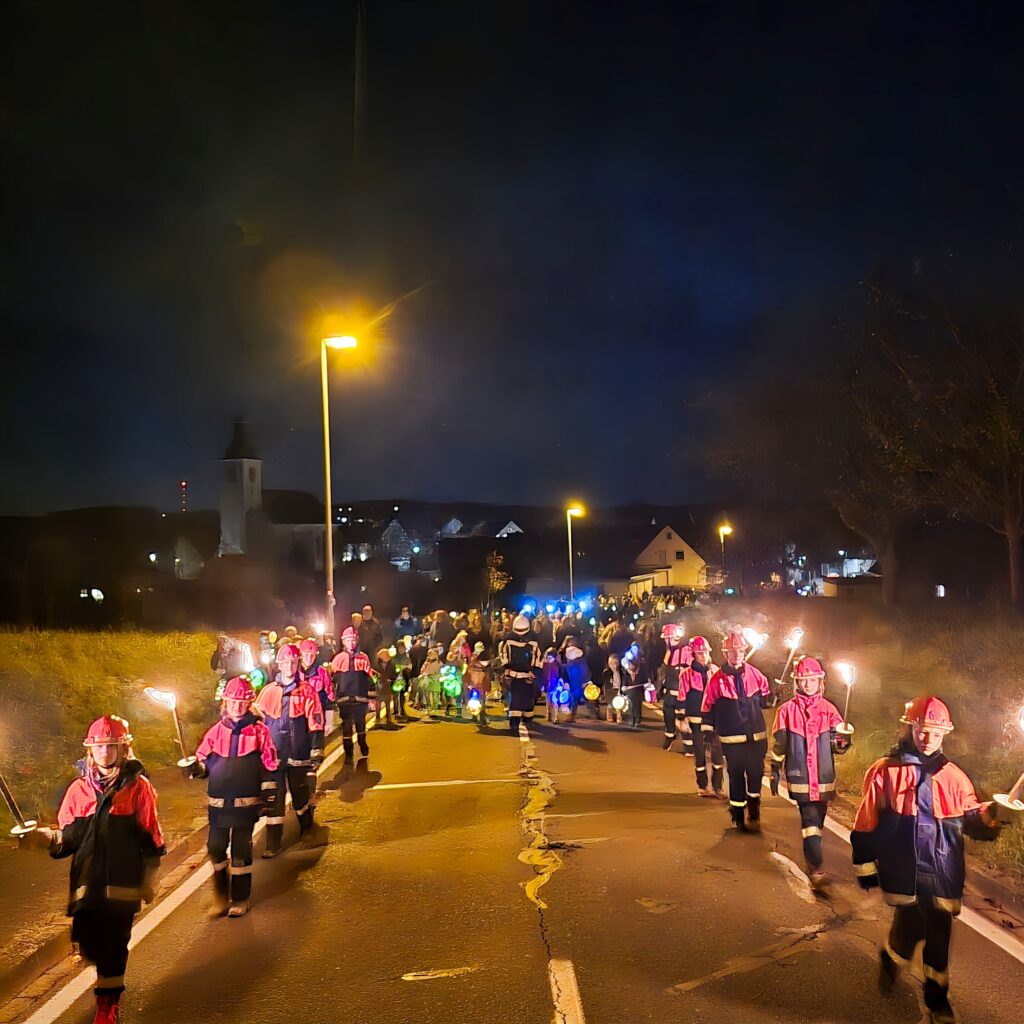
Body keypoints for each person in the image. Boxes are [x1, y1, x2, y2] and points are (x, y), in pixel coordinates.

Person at [852, 696, 1004, 1024]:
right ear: (910, 727)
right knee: (909, 930)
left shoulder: (955, 777)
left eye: (935, 732)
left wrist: (990, 818)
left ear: (944, 733)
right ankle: (892, 956)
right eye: (922, 729)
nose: (927, 738)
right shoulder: (885, 771)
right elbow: (866, 820)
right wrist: (864, 863)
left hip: (942, 871)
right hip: (903, 870)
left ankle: (937, 1001)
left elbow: (969, 817)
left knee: (938, 934)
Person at [24, 716, 164, 1024]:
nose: (104, 752)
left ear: (122, 749)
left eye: (110, 746)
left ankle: (107, 1004)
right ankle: (105, 979)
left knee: (114, 946)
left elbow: (153, 835)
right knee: (89, 944)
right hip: (88, 882)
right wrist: (42, 838)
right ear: (90, 751)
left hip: (123, 884)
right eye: (99, 747)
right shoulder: (78, 791)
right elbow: (67, 837)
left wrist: (151, 875)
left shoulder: (137, 789)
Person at [190, 677, 279, 917]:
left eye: (241, 701)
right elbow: (202, 762)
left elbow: (270, 764)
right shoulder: (215, 731)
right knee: (215, 848)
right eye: (232, 701)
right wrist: (196, 768)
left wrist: (269, 796)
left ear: (249, 703)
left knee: (241, 851)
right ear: (225, 702)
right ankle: (221, 895)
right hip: (218, 806)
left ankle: (241, 898)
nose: (237, 706)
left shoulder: (260, 731)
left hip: (246, 804)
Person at [770, 657, 851, 889]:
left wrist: (843, 741)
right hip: (801, 778)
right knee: (810, 823)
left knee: (818, 823)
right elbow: (779, 745)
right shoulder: (786, 711)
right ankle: (815, 868)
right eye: (803, 681)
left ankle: (812, 858)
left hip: (824, 779)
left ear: (820, 681)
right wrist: (775, 769)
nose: (807, 685)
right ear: (797, 683)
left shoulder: (829, 710)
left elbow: (838, 747)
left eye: (812, 680)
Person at [255, 644, 325, 857]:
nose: (290, 666)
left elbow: (315, 721)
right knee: (274, 797)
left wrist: (316, 748)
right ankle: (273, 842)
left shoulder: (307, 692)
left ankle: (307, 829)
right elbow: (258, 724)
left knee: (300, 793)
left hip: (298, 752)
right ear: (279, 664)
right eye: (286, 662)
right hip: (274, 754)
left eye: (294, 662)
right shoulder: (268, 692)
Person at [700, 631, 774, 832]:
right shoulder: (717, 679)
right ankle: (738, 813)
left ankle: (754, 809)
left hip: (756, 737)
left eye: (740, 651)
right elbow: (707, 706)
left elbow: (764, 700)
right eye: (733, 652)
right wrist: (707, 731)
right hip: (732, 739)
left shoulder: (755, 674)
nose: (737, 655)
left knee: (756, 773)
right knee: (736, 774)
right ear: (726, 654)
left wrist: (771, 697)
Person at [679, 636, 724, 798]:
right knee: (699, 752)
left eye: (705, 652)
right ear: (694, 654)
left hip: (713, 718)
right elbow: (682, 696)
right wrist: (681, 718)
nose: (703, 655)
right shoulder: (687, 674)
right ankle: (702, 785)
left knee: (717, 752)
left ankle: (718, 786)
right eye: (700, 653)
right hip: (696, 719)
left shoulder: (716, 671)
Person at [330, 626, 375, 759]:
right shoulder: (338, 658)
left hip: (361, 698)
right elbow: (333, 680)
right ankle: (348, 752)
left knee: (361, 724)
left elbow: (369, 679)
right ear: (343, 642)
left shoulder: (363, 658)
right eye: (348, 640)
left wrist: (372, 699)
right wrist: (333, 699)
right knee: (347, 726)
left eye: (353, 640)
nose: (351, 643)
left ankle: (363, 744)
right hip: (344, 699)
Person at [499, 614, 543, 734]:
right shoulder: (532, 640)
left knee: (522, 698)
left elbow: (503, 654)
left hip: (521, 675)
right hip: (521, 675)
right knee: (523, 699)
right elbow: (538, 656)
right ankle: (523, 720)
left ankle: (520, 721)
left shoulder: (509, 638)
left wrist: (505, 667)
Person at [660, 625, 690, 751]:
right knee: (668, 713)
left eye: (666, 638)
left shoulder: (686, 650)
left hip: (683, 692)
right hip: (671, 690)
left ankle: (689, 744)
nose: (665, 641)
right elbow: (665, 668)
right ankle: (670, 735)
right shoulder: (670, 651)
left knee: (683, 716)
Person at [299, 637, 336, 735]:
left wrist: (329, 722)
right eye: (306, 654)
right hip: (299, 720)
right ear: (301, 654)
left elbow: (330, 698)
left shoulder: (322, 672)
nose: (309, 658)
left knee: (317, 750)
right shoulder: (294, 672)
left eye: (312, 655)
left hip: (317, 719)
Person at [564, 643, 595, 721]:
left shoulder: (575, 662)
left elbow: (582, 672)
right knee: (583, 699)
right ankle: (593, 713)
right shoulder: (579, 661)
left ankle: (572, 715)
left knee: (578, 699)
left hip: (578, 684)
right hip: (577, 683)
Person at [620, 650, 647, 728]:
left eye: (633, 666)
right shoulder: (626, 674)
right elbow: (624, 683)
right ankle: (631, 720)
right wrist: (624, 687)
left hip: (638, 693)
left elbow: (645, 682)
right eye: (630, 665)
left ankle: (637, 721)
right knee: (630, 707)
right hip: (629, 694)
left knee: (638, 707)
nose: (631, 667)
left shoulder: (641, 674)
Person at [602, 652, 625, 723]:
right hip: (610, 690)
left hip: (619, 689)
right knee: (610, 704)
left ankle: (619, 715)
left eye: (615, 663)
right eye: (611, 663)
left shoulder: (621, 672)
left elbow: (623, 680)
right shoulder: (607, 672)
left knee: (619, 703)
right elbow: (605, 683)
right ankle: (609, 715)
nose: (613, 665)